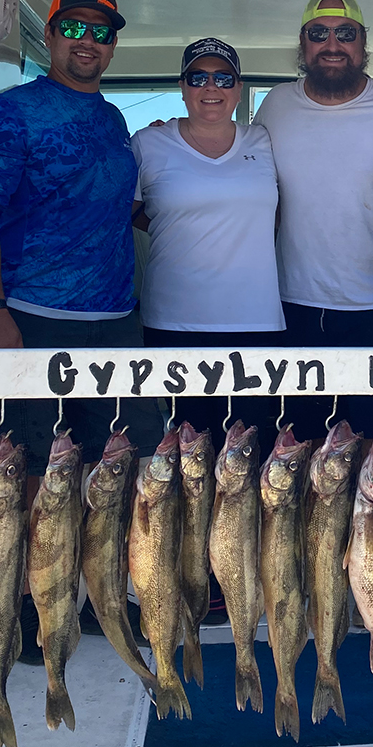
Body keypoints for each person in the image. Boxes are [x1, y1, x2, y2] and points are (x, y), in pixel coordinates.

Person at [0, 0, 161, 659]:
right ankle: (20, 618)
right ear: (49, 37)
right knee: (31, 476)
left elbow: (115, 208)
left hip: (115, 322)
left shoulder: (111, 122)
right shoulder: (10, 113)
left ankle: (103, 597)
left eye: (101, 33)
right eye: (74, 29)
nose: (88, 44)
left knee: (114, 471)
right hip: (32, 319)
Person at [253, 0, 373, 441]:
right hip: (292, 305)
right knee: (296, 450)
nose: (332, 44)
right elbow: (244, 177)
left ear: (363, 42)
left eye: (345, 32)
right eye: (319, 33)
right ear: (303, 43)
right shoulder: (274, 105)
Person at [132, 38, 285, 447]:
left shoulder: (265, 141)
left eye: (223, 77)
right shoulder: (148, 143)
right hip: (173, 323)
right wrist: (178, 226)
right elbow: (128, 213)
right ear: (182, 87)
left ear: (237, 88)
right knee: (185, 458)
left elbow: (286, 210)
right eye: (198, 77)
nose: (210, 87)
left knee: (250, 458)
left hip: (257, 322)